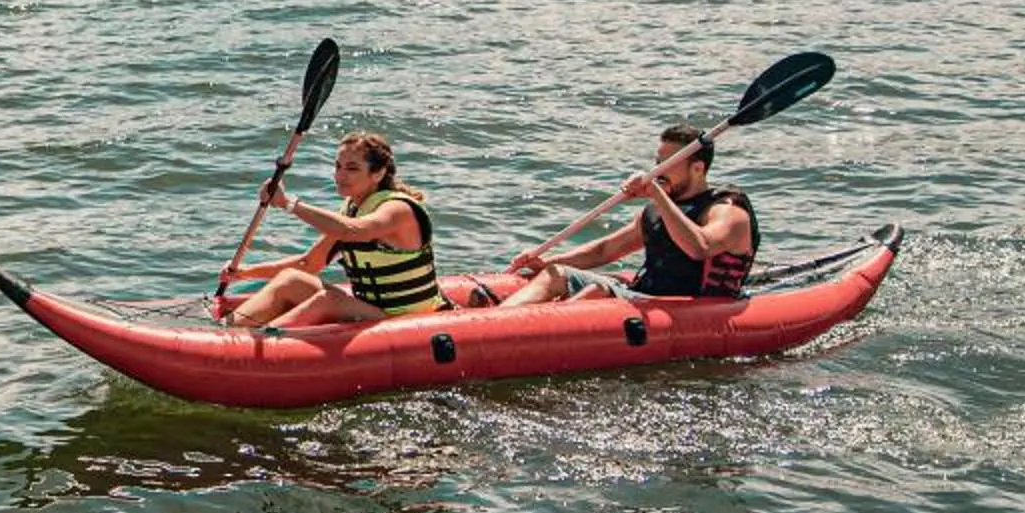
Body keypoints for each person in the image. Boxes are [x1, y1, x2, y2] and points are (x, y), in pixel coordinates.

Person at [495, 123, 759, 306]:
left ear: (698, 168)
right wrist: (547, 260)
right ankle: (497, 322)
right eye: (657, 163)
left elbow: (699, 248)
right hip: (644, 294)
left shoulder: (728, 211)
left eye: (667, 164)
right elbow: (605, 251)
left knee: (597, 292)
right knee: (557, 273)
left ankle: (527, 334)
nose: (658, 171)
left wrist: (658, 195)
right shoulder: (659, 209)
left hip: (692, 307)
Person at [225, 129, 443, 332]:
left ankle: (254, 346)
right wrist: (244, 272)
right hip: (369, 310)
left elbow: (352, 231)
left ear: (378, 174)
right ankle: (226, 331)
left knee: (329, 301)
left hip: (408, 320)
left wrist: (289, 204)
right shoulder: (353, 209)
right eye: (338, 166)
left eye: (352, 168)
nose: (340, 175)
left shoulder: (398, 210)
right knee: (292, 279)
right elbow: (309, 264)